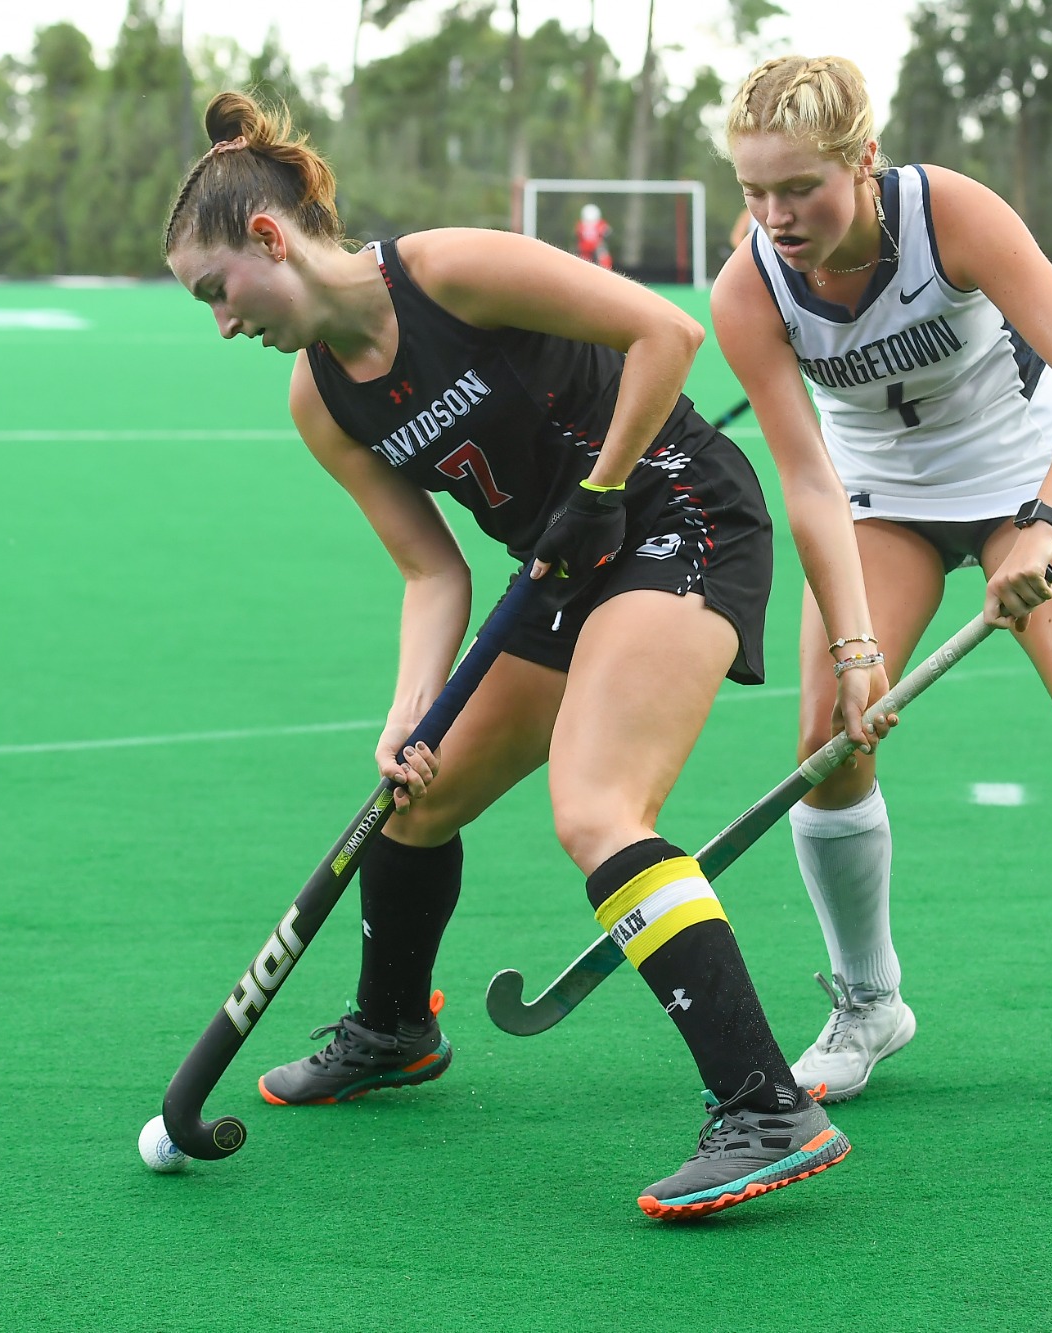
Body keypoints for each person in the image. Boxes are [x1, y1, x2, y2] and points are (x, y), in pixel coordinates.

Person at [163, 91, 861, 1219]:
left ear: (268, 239)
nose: (223, 324)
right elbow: (431, 570)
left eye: (216, 293)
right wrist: (410, 714)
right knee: (411, 803)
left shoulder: (444, 272)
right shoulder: (321, 399)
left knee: (597, 806)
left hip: (677, 517)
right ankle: (395, 1029)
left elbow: (664, 335)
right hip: (558, 566)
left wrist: (598, 490)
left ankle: (765, 1105)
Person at [712, 56, 1052, 1104]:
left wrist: (1042, 526)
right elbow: (807, 481)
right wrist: (855, 645)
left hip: (1027, 474)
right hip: (879, 501)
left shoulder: (947, 213)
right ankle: (868, 999)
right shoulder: (748, 287)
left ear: (862, 160)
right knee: (830, 740)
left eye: (799, 188)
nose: (776, 216)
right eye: (753, 191)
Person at [574, 202, 614, 268]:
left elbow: (607, 232)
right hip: (584, 248)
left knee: (602, 254)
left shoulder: (600, 223)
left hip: (596, 247)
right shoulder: (581, 224)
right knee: (577, 256)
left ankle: (605, 270)